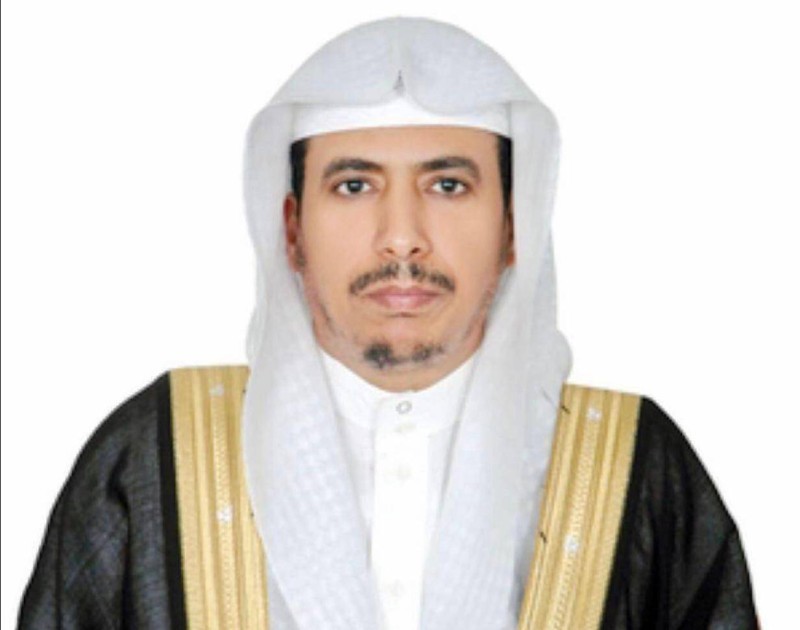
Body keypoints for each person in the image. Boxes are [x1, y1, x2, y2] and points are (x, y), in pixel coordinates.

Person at [18, 15, 758, 630]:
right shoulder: (152, 459)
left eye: (447, 184)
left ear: (513, 228)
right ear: (292, 230)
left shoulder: (633, 469)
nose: (401, 237)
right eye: (353, 185)